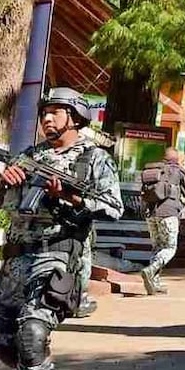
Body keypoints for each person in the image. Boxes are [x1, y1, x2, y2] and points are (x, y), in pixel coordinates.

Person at [0, 88, 123, 370]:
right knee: (7, 347)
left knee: (32, 335)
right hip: (15, 260)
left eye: (55, 112)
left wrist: (71, 198)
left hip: (57, 255)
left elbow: (113, 208)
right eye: (44, 113)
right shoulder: (28, 156)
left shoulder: (94, 158)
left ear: (75, 118)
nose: (46, 118)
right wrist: (1, 182)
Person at [73, 126, 116, 319]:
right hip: (79, 218)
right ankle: (79, 300)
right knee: (83, 259)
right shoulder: (91, 156)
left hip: (75, 213)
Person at [139, 147, 185, 295]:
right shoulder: (178, 170)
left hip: (151, 215)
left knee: (157, 248)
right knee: (169, 248)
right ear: (176, 158)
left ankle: (154, 283)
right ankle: (151, 269)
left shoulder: (153, 170)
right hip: (169, 214)